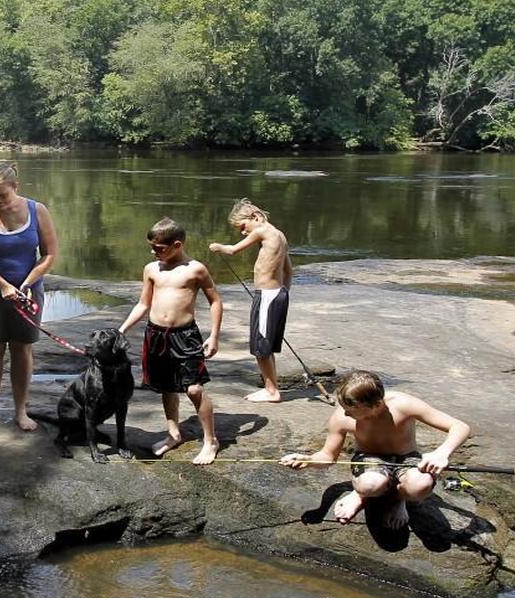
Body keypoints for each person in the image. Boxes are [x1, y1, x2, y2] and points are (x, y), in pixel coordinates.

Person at [278, 370, 472, 529]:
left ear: (377, 404)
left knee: (419, 487)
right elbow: (328, 456)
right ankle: (361, 494)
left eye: (351, 409)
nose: (345, 413)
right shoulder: (342, 417)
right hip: (369, 459)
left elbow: (460, 427)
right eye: (344, 406)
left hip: (407, 458)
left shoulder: (403, 405)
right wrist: (309, 460)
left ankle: (398, 499)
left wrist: (442, 453)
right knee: (369, 485)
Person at [119, 217, 224, 465]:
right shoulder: (152, 269)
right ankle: (173, 433)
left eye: (159, 248)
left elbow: (215, 302)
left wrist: (214, 336)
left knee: (194, 388)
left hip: (185, 336)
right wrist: (122, 329)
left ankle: (211, 441)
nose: (154, 252)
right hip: (156, 335)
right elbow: (144, 303)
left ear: (177, 244)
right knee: (166, 387)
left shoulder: (195, 269)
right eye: (152, 247)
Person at [0, 162, 59, 433]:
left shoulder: (37, 211)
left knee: (21, 348)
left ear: (15, 187)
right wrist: (3, 285)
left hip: (28, 292)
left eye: (2, 195)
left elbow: (49, 254)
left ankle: (21, 411)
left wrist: (28, 283)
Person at [209, 198, 293, 402]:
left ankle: (272, 391)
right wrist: (284, 291)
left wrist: (217, 246)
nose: (243, 232)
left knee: (260, 346)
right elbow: (288, 269)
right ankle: (270, 386)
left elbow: (233, 250)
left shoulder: (262, 230)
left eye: (243, 226)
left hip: (267, 295)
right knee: (267, 345)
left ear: (255, 217)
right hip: (277, 294)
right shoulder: (280, 235)